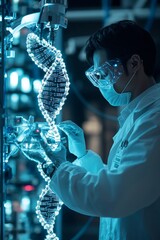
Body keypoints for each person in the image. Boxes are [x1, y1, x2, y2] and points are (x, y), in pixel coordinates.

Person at [39, 20, 160, 239]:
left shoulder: (155, 119)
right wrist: (82, 156)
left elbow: (116, 196)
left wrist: (58, 167)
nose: (100, 83)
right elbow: (120, 179)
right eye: (95, 77)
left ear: (134, 63)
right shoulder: (137, 116)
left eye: (103, 74)